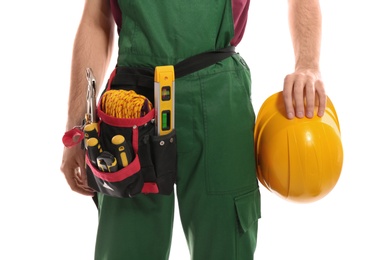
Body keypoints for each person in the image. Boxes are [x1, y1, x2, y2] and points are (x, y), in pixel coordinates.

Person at [60, 0, 325, 259]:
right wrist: (76, 127)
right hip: (131, 106)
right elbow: (96, 19)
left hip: (218, 97)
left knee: (225, 244)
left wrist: (308, 65)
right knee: (126, 245)